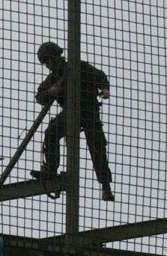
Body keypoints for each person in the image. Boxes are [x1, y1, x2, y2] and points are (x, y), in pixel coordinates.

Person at [30, 41, 115, 202]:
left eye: (47, 62)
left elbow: (100, 76)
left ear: (54, 58)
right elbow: (40, 96)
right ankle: (51, 170)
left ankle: (106, 186)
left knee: (97, 147)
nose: (47, 66)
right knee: (51, 133)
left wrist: (105, 89)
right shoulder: (54, 78)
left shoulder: (78, 66)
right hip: (70, 113)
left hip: (89, 111)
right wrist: (51, 91)